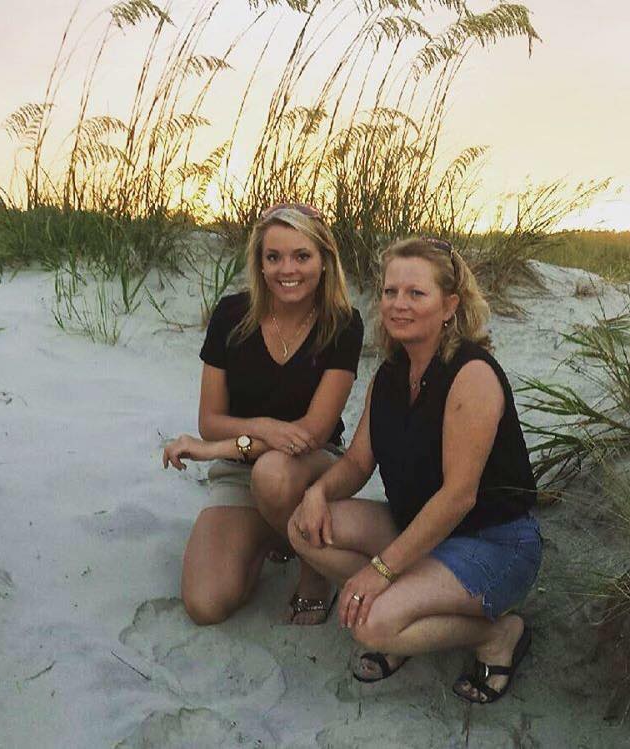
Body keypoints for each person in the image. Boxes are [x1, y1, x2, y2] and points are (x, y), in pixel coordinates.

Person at [288, 237, 541, 704]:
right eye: (390, 292)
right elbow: (357, 462)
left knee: (371, 625)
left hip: (493, 542)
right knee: (304, 528)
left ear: (450, 305)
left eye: (416, 293)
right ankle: (408, 608)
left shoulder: (471, 374)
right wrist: (317, 492)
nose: (398, 304)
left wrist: (381, 571)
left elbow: (459, 497)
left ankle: (497, 635)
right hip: (420, 530)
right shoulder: (390, 375)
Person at [162, 203, 364, 627]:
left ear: (324, 260)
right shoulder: (231, 316)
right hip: (239, 471)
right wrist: (262, 428)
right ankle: (274, 533)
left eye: (302, 256)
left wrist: (212, 450)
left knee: (273, 473)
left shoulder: (342, 323)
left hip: (306, 469)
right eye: (274, 257)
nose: (287, 269)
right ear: (260, 262)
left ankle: (313, 570)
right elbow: (210, 420)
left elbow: (310, 434)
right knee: (206, 604)